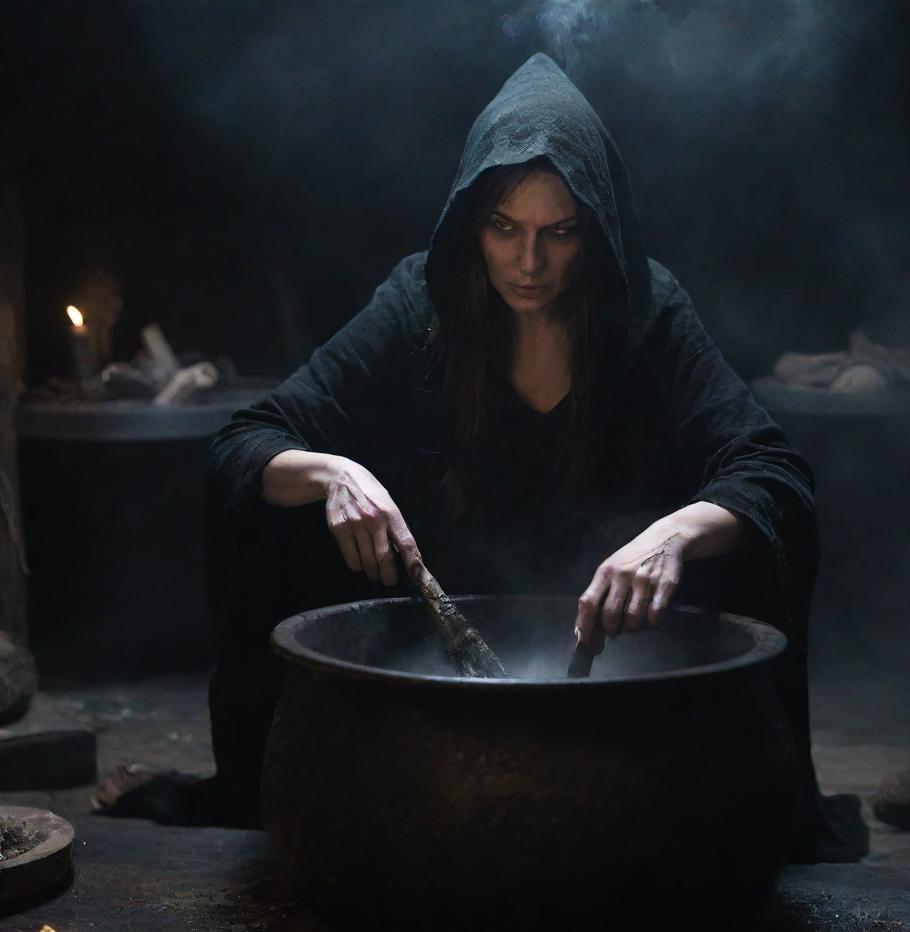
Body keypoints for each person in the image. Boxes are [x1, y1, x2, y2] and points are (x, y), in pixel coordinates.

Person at [100, 53, 867, 862]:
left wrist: (673, 535)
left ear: (596, 229)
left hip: (611, 659)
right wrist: (335, 472)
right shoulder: (417, 304)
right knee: (282, 505)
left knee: (736, 542)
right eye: (505, 228)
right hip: (430, 662)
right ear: (472, 221)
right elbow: (247, 439)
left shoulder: (645, 314)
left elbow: (773, 474)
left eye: (558, 232)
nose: (528, 262)